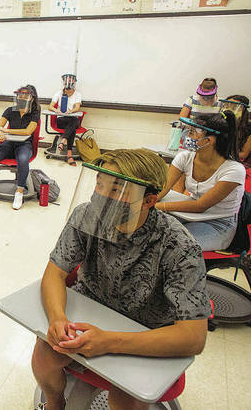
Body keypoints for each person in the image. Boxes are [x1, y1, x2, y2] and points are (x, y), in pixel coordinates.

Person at [34, 149, 210, 410]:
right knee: (44, 358)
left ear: (149, 200)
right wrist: (58, 318)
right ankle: (55, 403)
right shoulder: (86, 216)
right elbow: (55, 272)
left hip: (146, 330)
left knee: (126, 399)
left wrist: (109, 342)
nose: (101, 196)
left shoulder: (179, 247)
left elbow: (193, 337)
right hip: (92, 309)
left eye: (117, 189)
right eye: (100, 184)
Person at [156, 112, 245, 251]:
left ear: (209, 140)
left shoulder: (233, 170)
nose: (186, 136)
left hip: (218, 223)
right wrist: (149, 200)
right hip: (189, 214)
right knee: (148, 232)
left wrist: (158, 206)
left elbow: (200, 206)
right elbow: (164, 187)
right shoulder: (185, 157)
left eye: (192, 132)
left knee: (172, 246)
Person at [0, 85, 40, 210]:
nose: (22, 98)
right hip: (9, 144)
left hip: (25, 144)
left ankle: (19, 192)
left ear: (32, 98)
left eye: (26, 96)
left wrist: (6, 130)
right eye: (20, 96)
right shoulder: (10, 110)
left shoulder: (35, 113)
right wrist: (0, 132)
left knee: (23, 159)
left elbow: (27, 131)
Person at [48, 73, 82, 166]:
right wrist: (57, 110)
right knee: (74, 124)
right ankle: (69, 154)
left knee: (73, 123)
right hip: (61, 120)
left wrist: (70, 112)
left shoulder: (77, 94)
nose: (68, 83)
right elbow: (50, 106)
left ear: (74, 83)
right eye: (67, 81)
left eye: (71, 81)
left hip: (71, 118)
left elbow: (77, 107)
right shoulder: (58, 93)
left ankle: (63, 142)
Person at [221, 95, 251, 168]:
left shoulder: (250, 127)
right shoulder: (219, 123)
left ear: (243, 110)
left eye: (234, 107)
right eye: (227, 106)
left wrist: (223, 155)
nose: (229, 110)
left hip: (237, 161)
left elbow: (244, 154)